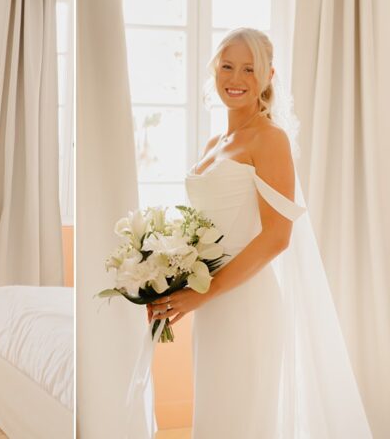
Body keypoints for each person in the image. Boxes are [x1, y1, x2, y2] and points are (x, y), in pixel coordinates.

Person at [145, 28, 371, 438]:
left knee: (242, 420)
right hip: (212, 305)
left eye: (250, 69)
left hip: (246, 303)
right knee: (216, 416)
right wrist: (170, 275)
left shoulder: (270, 139)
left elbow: (276, 237)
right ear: (214, 70)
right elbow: (209, 225)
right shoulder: (217, 141)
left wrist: (202, 293)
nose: (236, 78)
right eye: (228, 66)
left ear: (269, 76)